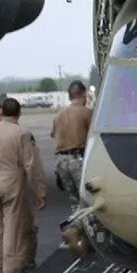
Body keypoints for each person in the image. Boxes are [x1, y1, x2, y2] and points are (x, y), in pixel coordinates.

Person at [0, 98, 48, 273]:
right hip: (12, 184)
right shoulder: (22, 133)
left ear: (3, 113)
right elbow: (32, 165)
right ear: (19, 113)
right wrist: (40, 190)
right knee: (13, 233)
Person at [51, 80, 92, 211]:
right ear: (83, 94)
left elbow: (53, 134)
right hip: (78, 160)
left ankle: (76, 225)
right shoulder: (87, 112)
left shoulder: (58, 116)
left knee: (73, 200)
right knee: (87, 199)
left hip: (62, 162)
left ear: (70, 96)